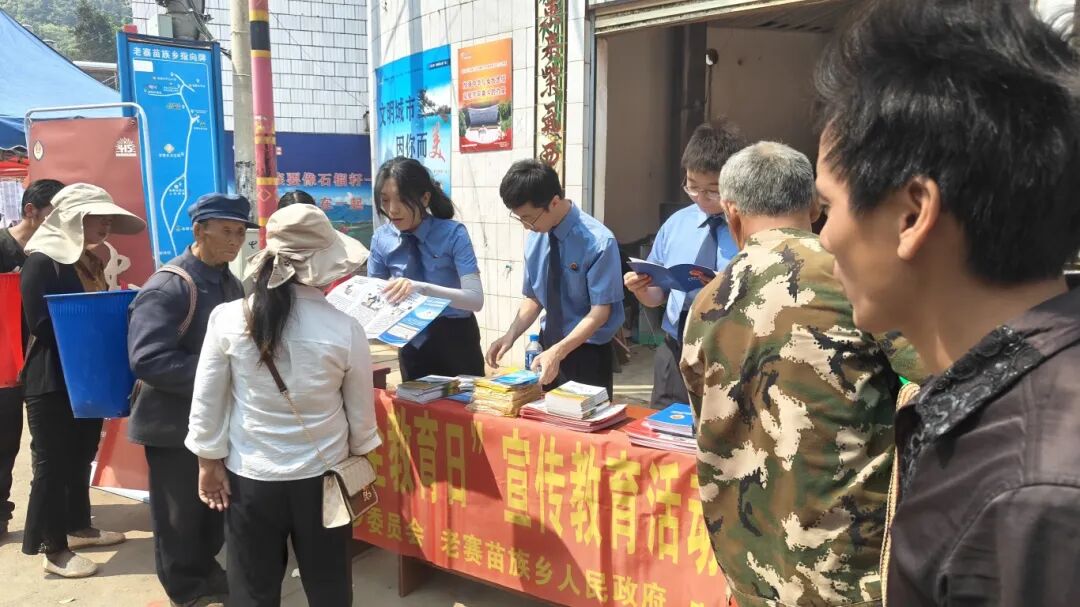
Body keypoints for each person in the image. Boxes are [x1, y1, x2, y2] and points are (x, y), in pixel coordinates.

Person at [814, 1, 1080, 604]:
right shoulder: (1008, 414)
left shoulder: (1031, 498)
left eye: (827, 208)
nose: (824, 237)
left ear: (913, 215)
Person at [680, 142, 921, 606]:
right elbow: (943, 375)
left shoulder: (707, 301)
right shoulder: (854, 275)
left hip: (750, 568)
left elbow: (706, 419)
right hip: (848, 569)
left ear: (731, 213)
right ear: (814, 205)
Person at [186, 204, 381, 607]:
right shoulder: (346, 329)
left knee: (252, 590)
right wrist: (362, 454)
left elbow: (207, 401)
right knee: (329, 586)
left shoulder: (227, 318)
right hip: (324, 480)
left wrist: (208, 462)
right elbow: (361, 418)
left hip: (250, 477)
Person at [127, 194, 256, 607]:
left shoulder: (229, 282)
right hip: (171, 424)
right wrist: (216, 376)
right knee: (178, 515)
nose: (235, 241)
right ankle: (185, 590)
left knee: (211, 508)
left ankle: (206, 573)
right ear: (200, 231)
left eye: (241, 233)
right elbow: (148, 360)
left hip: (213, 419)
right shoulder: (169, 286)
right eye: (227, 231)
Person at [19, 183, 144, 577]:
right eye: (97, 217)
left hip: (86, 376)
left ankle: (78, 526)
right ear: (72, 219)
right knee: (52, 463)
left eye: (108, 218)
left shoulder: (89, 261)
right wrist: (92, 332)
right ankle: (52, 548)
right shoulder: (42, 262)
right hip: (52, 378)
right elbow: (41, 323)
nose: (106, 225)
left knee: (80, 455)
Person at [623, 120, 743, 408]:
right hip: (676, 344)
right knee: (664, 425)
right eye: (692, 187)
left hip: (731, 351)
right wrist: (641, 289)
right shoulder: (677, 224)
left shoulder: (751, 226)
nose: (701, 198)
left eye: (712, 190)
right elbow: (657, 296)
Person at [488, 160, 625, 397]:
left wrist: (559, 351)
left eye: (529, 218)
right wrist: (510, 335)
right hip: (546, 349)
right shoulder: (536, 237)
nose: (526, 226)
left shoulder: (599, 242)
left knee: (584, 418)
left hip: (586, 351)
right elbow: (534, 297)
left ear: (554, 202)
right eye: (519, 218)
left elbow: (601, 312)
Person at [368, 157, 484, 380]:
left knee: (463, 402)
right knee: (414, 402)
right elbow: (374, 294)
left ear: (425, 198)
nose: (392, 210)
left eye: (402, 200)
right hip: (410, 337)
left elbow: (475, 299)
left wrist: (421, 289)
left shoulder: (453, 234)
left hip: (457, 337)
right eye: (385, 200)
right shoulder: (381, 239)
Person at [0, 178, 64, 541]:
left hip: (43, 361)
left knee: (46, 446)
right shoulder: (2, 246)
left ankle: (48, 516)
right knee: (3, 442)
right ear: (31, 211)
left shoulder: (57, 255)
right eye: (54, 213)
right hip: (5, 364)